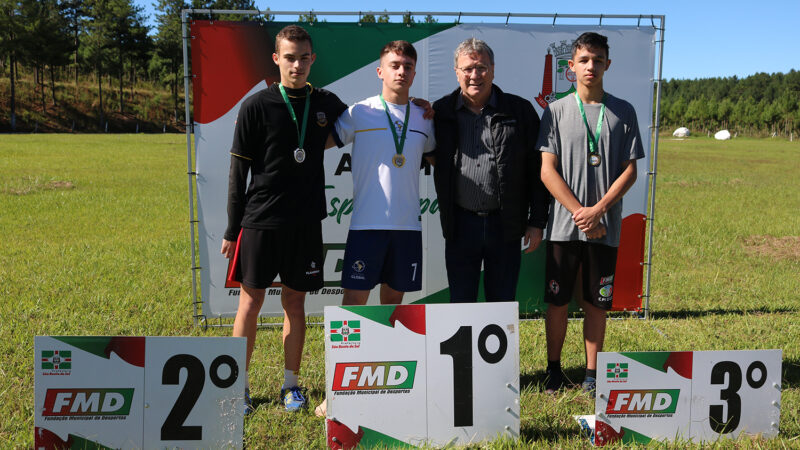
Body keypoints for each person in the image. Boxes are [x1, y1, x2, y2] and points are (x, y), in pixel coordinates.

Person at [221, 25, 347, 413]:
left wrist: (421, 108)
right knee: (250, 303)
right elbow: (237, 173)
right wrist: (232, 227)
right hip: (260, 221)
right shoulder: (256, 106)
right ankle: (236, 388)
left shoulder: (327, 102)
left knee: (296, 303)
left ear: (313, 59)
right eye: (289, 57)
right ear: (276, 59)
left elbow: (371, 116)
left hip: (306, 222)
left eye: (303, 57)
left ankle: (290, 386)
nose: (297, 64)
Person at [536, 32, 645, 396]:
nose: (591, 67)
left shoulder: (623, 111)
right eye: (584, 60)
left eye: (598, 60)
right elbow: (546, 170)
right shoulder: (555, 111)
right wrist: (580, 212)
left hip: (605, 227)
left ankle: (592, 374)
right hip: (564, 228)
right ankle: (553, 370)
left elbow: (630, 171)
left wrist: (598, 211)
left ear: (607, 65)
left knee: (597, 303)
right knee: (557, 301)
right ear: (572, 66)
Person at [431, 38, 548, 303]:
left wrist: (537, 221)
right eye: (468, 69)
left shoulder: (520, 110)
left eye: (482, 67)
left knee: (502, 302)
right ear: (457, 72)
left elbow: (537, 169)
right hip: (460, 224)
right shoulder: (440, 112)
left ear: (493, 69)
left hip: (505, 224)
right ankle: (463, 348)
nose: (475, 75)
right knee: (461, 303)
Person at [332, 40, 435, 306]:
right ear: (380, 72)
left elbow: (438, 157)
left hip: (407, 227)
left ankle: (386, 349)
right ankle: (353, 351)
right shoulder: (359, 112)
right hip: (367, 225)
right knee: (354, 304)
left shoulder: (425, 117)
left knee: (393, 305)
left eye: (408, 67)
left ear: (414, 73)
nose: (401, 72)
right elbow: (317, 141)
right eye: (395, 65)